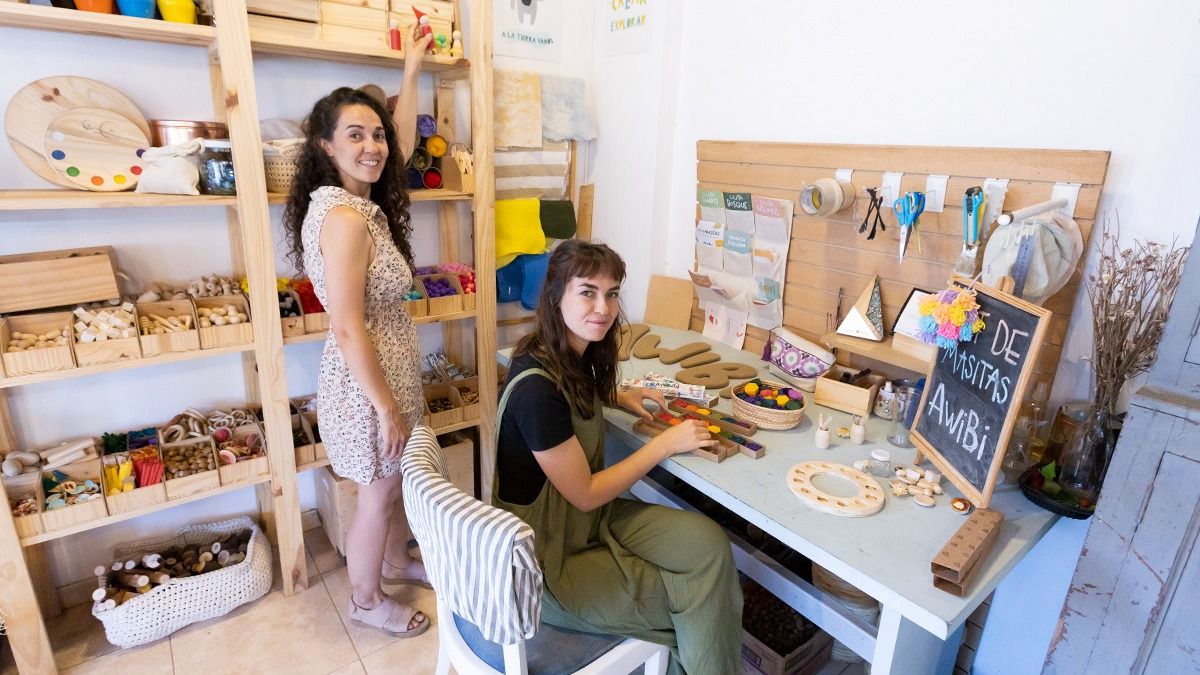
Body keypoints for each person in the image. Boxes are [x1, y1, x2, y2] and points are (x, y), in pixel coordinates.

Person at [494, 240, 743, 674]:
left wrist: (614, 394)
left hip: (583, 525)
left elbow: (570, 398)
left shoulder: (559, 354)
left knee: (708, 544)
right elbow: (587, 494)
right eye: (587, 291)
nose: (603, 308)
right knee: (700, 599)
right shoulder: (537, 390)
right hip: (549, 561)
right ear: (556, 295)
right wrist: (664, 444)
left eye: (612, 294)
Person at [283, 26, 434, 638]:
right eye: (355, 135)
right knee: (376, 494)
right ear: (326, 146)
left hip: (384, 372)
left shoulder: (350, 202)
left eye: (376, 133)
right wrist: (386, 408)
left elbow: (398, 140)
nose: (373, 146)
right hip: (366, 383)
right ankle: (366, 601)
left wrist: (412, 65)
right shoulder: (345, 218)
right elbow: (346, 327)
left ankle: (397, 560)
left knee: (393, 486)